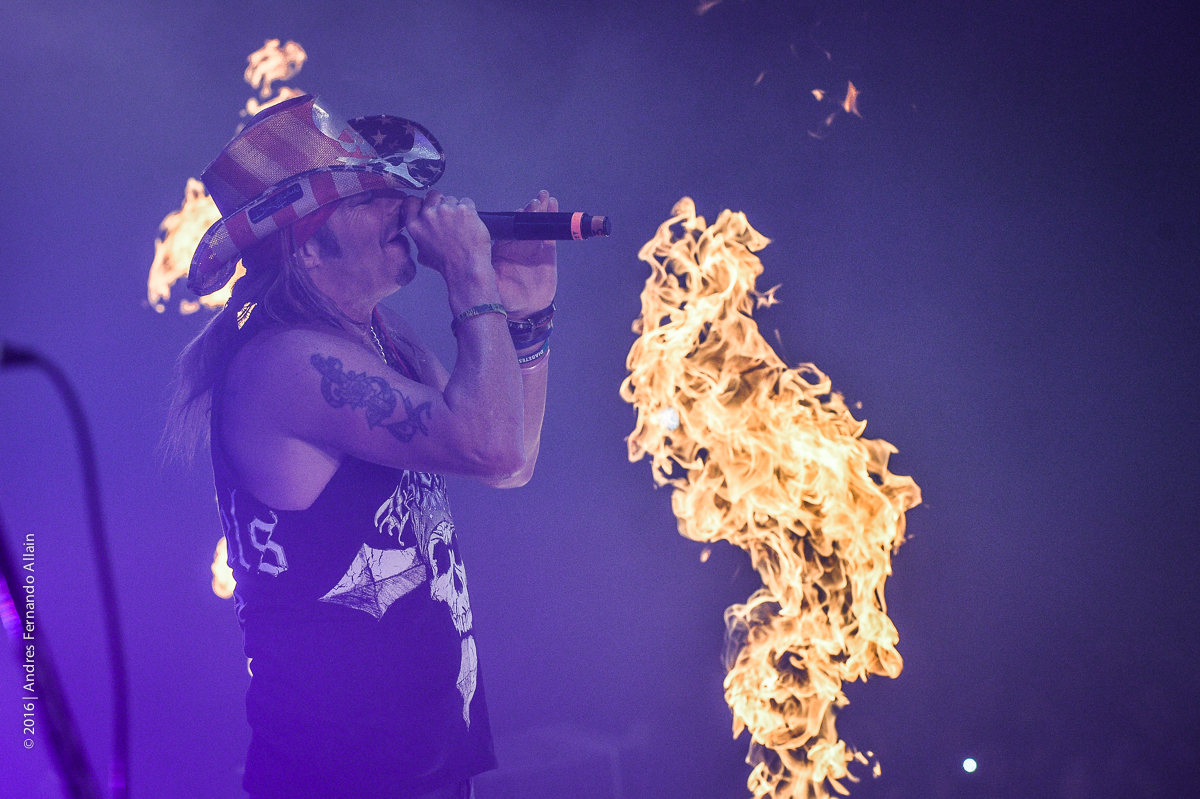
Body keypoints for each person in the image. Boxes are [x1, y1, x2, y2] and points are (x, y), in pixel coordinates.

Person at [166, 95, 556, 799]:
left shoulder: (381, 336)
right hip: (343, 778)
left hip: (427, 768)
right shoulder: (286, 362)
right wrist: (471, 276)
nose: (402, 207)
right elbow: (493, 448)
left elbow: (511, 459)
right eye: (368, 198)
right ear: (309, 246)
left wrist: (523, 314)